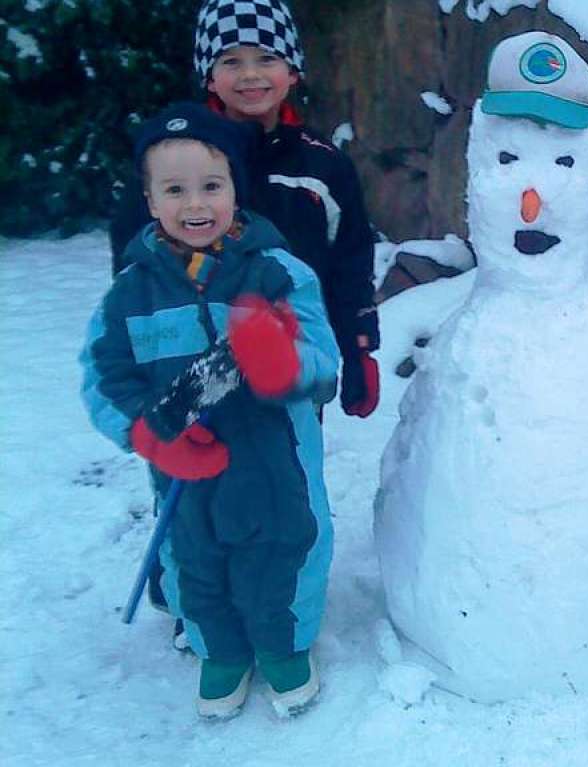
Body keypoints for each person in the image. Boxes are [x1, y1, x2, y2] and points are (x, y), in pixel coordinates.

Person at [81, 103, 340, 719]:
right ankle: (219, 650)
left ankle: (284, 646)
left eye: (211, 186)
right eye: (174, 189)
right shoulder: (128, 295)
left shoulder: (278, 272)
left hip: (275, 461)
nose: (194, 203)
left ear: (235, 191)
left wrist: (283, 364)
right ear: (150, 200)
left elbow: (324, 361)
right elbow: (102, 376)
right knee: (193, 554)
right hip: (185, 471)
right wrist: (147, 432)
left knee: (286, 544)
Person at [110, 0, 380, 421]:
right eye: (231, 61)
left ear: (292, 71)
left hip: (289, 356)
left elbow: (350, 261)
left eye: (267, 58)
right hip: (192, 359)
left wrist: (358, 343)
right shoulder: (175, 160)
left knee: (289, 472)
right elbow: (134, 254)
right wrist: (139, 342)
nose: (250, 74)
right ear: (210, 78)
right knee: (200, 475)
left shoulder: (323, 165)